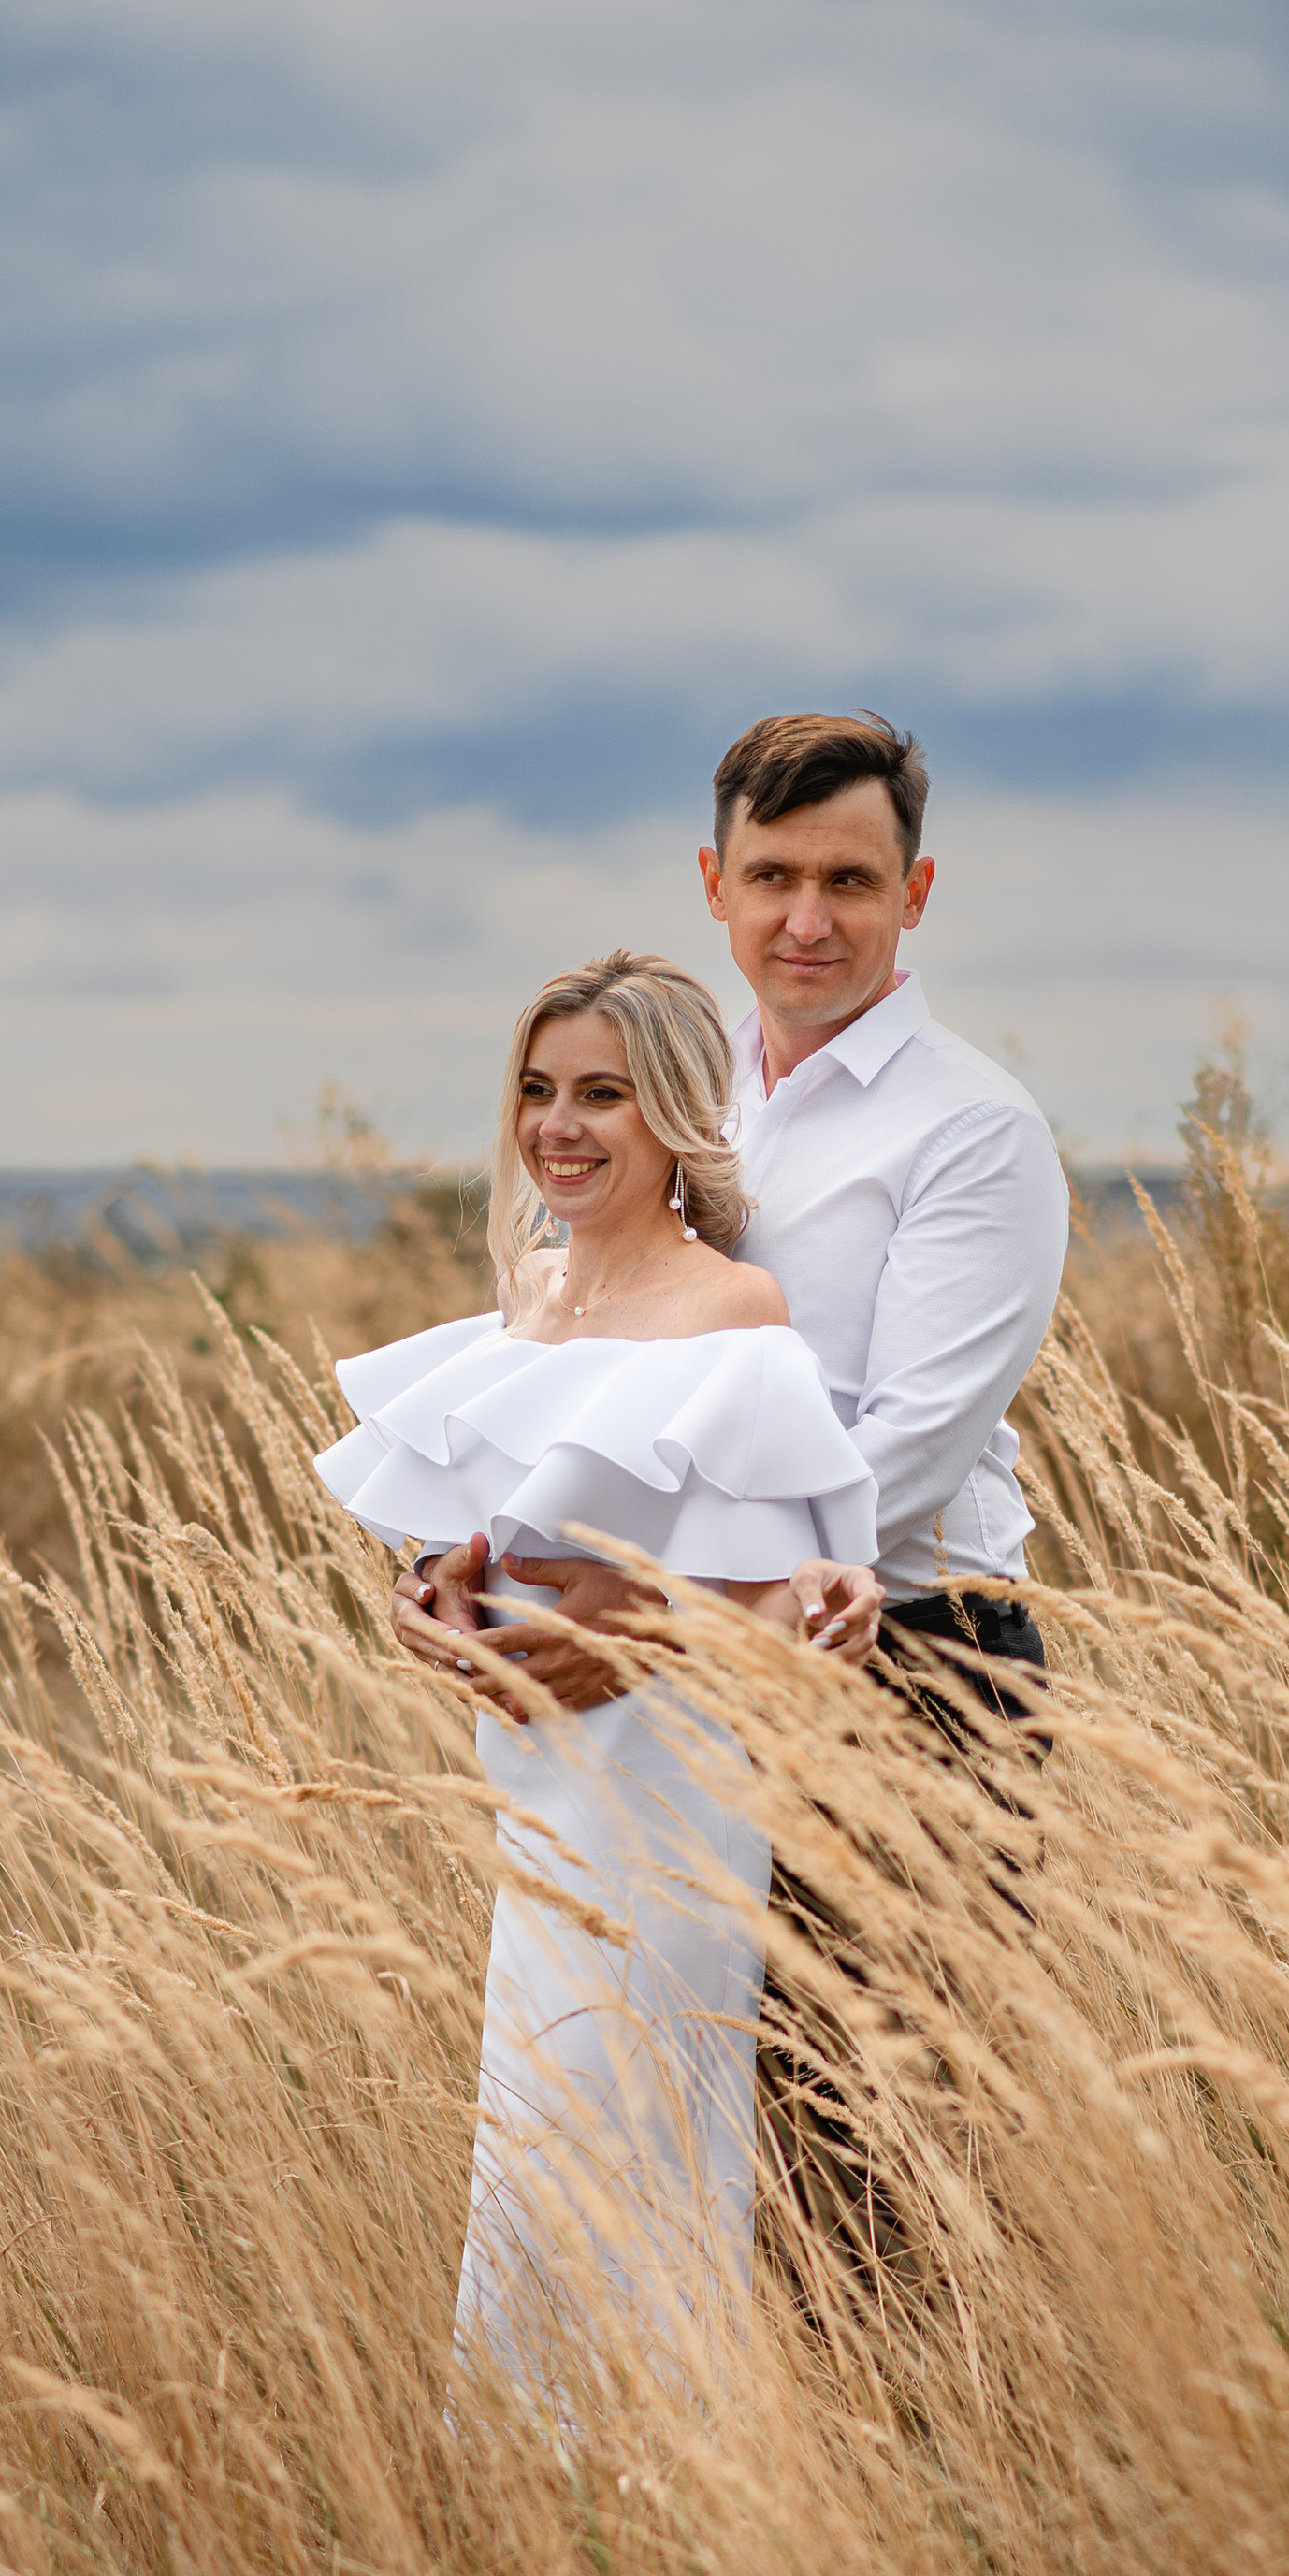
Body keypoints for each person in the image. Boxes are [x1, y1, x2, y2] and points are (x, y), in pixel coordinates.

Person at [388, 715, 1072, 2268]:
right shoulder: (688, 1099)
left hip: (907, 1668)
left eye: (851, 878)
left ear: (918, 891)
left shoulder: (973, 1129)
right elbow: (588, 1352)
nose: (808, 919)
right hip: (667, 1700)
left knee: (870, 2173)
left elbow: (903, 1452)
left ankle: (913, 2499)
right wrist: (468, 1557)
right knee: (675, 2132)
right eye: (773, 876)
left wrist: (656, 1612)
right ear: (714, 882)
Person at [315, 951, 884, 2399]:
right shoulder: (535, 1291)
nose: (559, 1127)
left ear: (679, 1115)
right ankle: (533, 2495)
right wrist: (429, 1593)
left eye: (603, 1097)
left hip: (672, 1802)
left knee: (639, 2145)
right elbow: (498, 1533)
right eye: (538, 1091)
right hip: (542, 1801)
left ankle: (667, 2484)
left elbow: (781, 1611)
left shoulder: (732, 1308)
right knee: (531, 2142)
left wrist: (642, 1626)